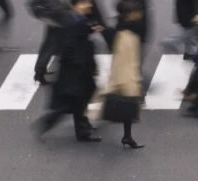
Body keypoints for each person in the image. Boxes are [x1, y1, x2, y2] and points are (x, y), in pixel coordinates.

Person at [34, 0, 103, 142]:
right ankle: (47, 122)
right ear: (76, 5)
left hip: (77, 71)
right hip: (75, 72)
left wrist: (89, 30)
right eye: (85, 3)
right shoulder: (70, 22)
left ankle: (82, 130)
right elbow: (69, 45)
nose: (89, 5)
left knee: (79, 102)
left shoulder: (77, 19)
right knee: (72, 103)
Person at [100, 0, 145, 148]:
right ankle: (127, 136)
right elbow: (127, 59)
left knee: (127, 106)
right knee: (128, 103)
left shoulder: (122, 29)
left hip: (123, 73)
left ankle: (127, 136)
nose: (140, 14)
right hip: (126, 75)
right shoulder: (127, 33)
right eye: (137, 12)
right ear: (129, 14)